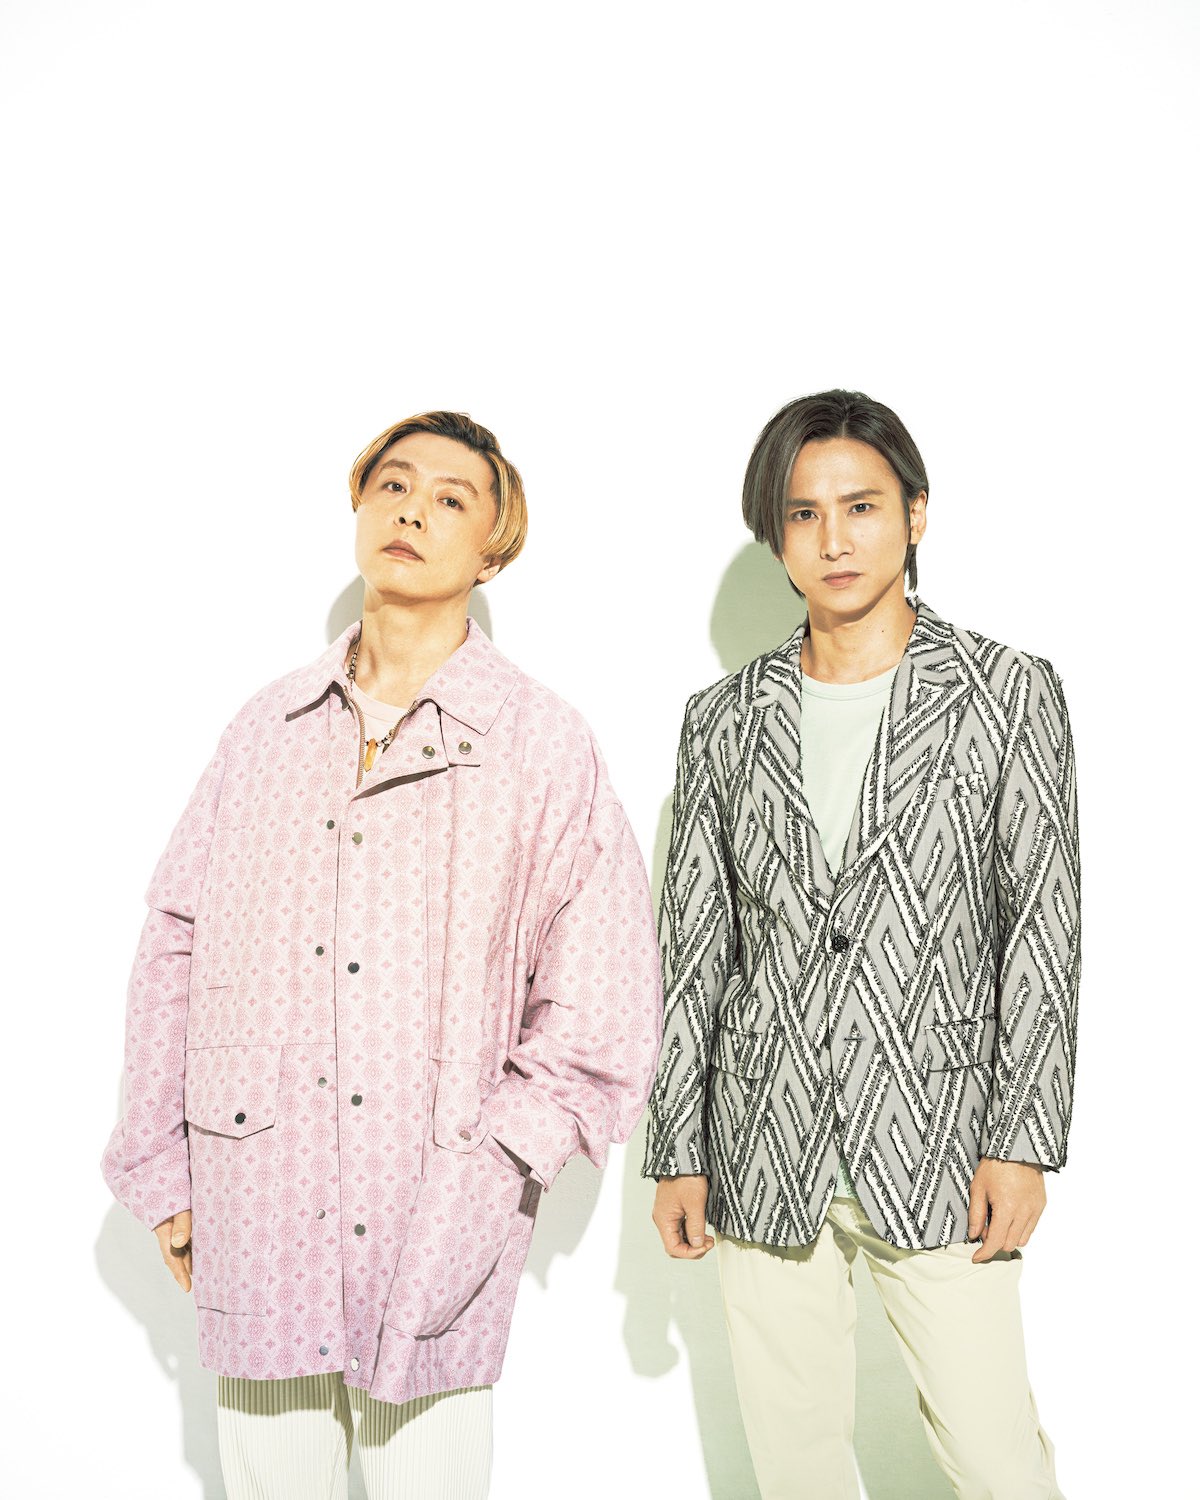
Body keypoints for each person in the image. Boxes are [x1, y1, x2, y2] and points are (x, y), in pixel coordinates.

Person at [101, 410, 663, 1500]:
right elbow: (176, 938)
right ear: (359, 508)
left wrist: (501, 1161)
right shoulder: (264, 731)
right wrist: (163, 1163)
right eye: (393, 486)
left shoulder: (542, 744)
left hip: (438, 1203)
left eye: (452, 499)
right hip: (258, 1194)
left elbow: (603, 993)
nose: (413, 511)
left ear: (494, 547)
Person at [643, 389, 1078, 1499]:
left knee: (995, 1456)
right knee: (794, 1466)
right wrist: (678, 1144)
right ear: (775, 534)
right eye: (802, 514)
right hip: (763, 1134)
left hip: (943, 1136)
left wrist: (1023, 1139)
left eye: (862, 506)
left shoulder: (1007, 692)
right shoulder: (721, 719)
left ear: (916, 515)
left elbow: (1041, 929)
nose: (833, 539)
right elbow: (694, 948)